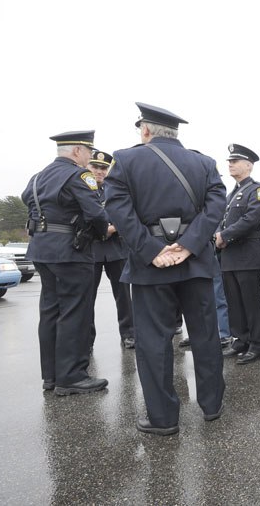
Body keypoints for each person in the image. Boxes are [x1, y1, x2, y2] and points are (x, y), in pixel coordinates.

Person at [103, 103, 226, 436]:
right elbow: (217, 205)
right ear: (175, 132)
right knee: (205, 336)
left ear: (145, 130)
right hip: (196, 262)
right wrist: (190, 244)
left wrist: (152, 250)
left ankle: (163, 418)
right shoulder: (205, 163)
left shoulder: (126, 160)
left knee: (154, 342)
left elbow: (117, 208)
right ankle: (212, 406)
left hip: (150, 268)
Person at [21, 131, 110, 396]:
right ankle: (71, 377)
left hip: (41, 250)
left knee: (50, 311)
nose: (90, 158)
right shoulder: (79, 175)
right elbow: (96, 212)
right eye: (89, 152)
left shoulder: (37, 177)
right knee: (75, 312)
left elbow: (27, 200)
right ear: (77, 151)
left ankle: (51, 376)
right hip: (71, 251)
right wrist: (102, 231)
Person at [215, 144, 260, 365]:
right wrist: (218, 233)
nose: (230, 164)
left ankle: (257, 344)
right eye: (229, 161)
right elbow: (223, 219)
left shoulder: (258, 190)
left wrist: (225, 236)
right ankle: (241, 340)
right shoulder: (232, 193)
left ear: (248, 165)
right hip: (230, 257)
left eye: (235, 161)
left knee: (251, 302)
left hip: (248, 255)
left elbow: (251, 219)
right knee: (234, 302)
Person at [87, 150, 135, 350]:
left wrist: (113, 227)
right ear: (88, 168)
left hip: (116, 247)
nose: (99, 171)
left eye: (103, 168)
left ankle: (129, 334)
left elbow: (127, 211)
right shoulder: (81, 187)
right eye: (95, 167)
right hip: (91, 249)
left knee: (123, 296)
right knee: (87, 298)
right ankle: (86, 341)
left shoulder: (116, 189)